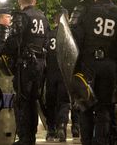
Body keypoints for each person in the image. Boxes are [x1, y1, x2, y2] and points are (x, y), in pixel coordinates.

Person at [69, 0, 117, 145]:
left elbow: (73, 40)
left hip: (87, 65)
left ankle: (87, 142)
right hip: (110, 66)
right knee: (104, 107)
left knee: (85, 107)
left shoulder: (85, 10)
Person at [7, 0, 50, 145]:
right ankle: (30, 136)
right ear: (35, 1)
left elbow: (13, 41)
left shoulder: (22, 16)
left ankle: (25, 138)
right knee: (33, 101)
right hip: (40, 64)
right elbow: (47, 41)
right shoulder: (43, 18)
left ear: (20, 2)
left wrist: (5, 55)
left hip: (25, 64)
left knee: (22, 101)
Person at [45, 9, 71, 142]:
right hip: (65, 74)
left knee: (50, 103)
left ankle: (51, 130)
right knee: (64, 102)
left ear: (55, 20)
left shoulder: (49, 34)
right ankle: (62, 125)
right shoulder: (69, 35)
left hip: (50, 73)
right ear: (67, 18)